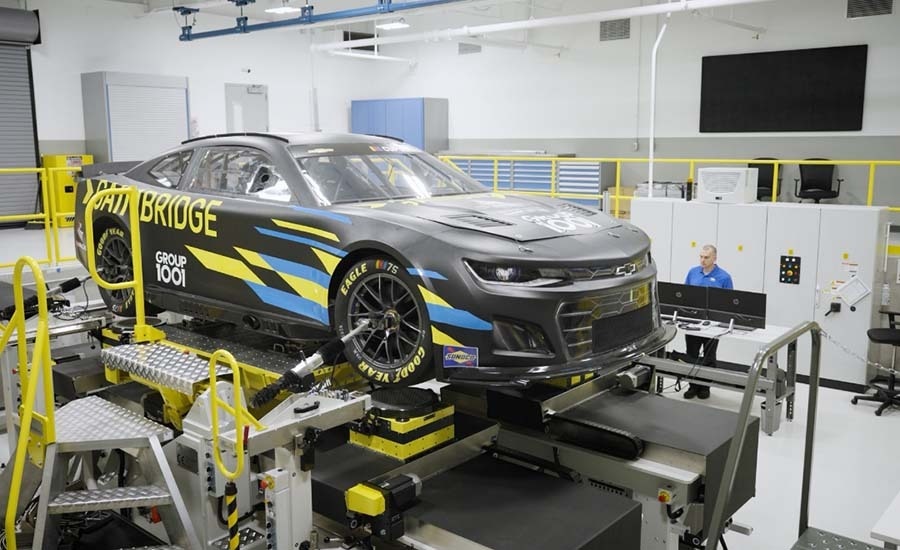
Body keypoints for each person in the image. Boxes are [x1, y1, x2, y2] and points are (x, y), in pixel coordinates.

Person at [683, 244, 733, 399]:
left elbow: (730, 302)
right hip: (693, 322)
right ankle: (693, 386)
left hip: (713, 325)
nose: (703, 260)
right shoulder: (692, 273)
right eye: (701, 257)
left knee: (709, 356)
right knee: (691, 354)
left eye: (706, 257)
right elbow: (685, 294)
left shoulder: (724, 277)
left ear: (714, 258)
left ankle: (705, 387)